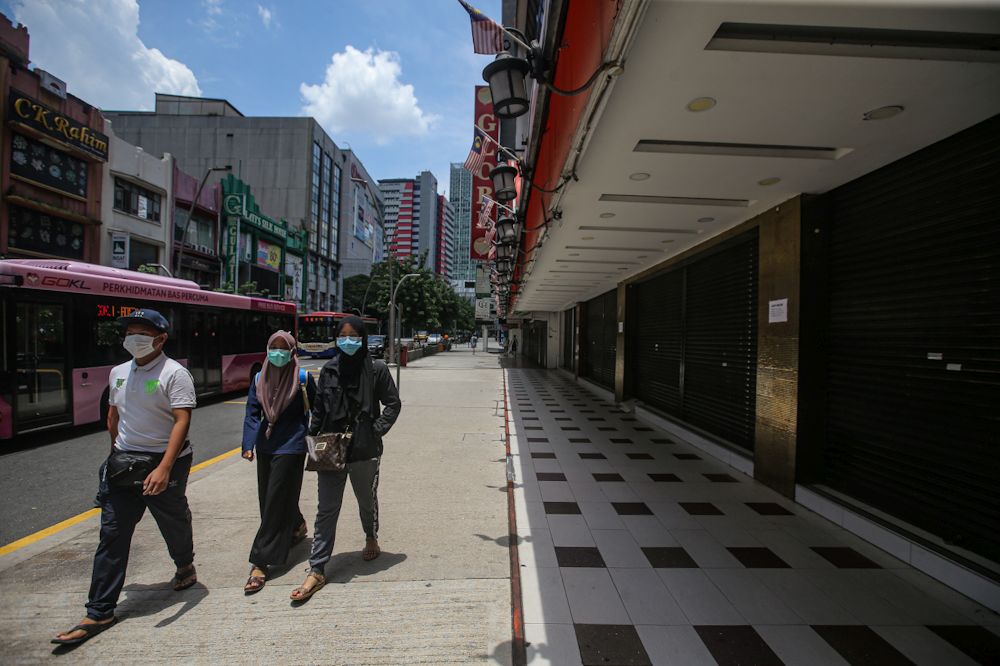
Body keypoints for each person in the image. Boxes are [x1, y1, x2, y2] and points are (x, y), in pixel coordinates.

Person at [53, 309, 197, 645]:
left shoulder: (175, 374)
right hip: (124, 462)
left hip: (165, 461)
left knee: (172, 520)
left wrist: (163, 467)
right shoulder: (118, 372)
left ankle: (185, 564)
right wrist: (114, 455)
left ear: (160, 339)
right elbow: (112, 417)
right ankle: (100, 610)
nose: (133, 338)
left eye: (142, 332)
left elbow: (182, 421)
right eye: (130, 331)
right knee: (113, 533)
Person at [290, 315, 401, 602]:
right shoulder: (329, 369)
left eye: (354, 336)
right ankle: (317, 568)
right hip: (331, 446)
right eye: (342, 336)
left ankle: (370, 536)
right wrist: (312, 444)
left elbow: (392, 403)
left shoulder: (375, 369)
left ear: (363, 338)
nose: (348, 341)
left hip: (365, 449)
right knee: (326, 509)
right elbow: (318, 409)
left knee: (366, 499)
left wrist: (375, 431)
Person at [241, 331, 317, 594]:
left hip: (293, 445)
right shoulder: (259, 378)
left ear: (292, 351)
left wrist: (315, 445)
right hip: (266, 444)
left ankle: (261, 562)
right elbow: (252, 412)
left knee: (275, 497)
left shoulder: (303, 378)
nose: (277, 353)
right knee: (270, 496)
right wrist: (248, 444)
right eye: (273, 347)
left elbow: (316, 410)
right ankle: (296, 525)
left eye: (282, 348)